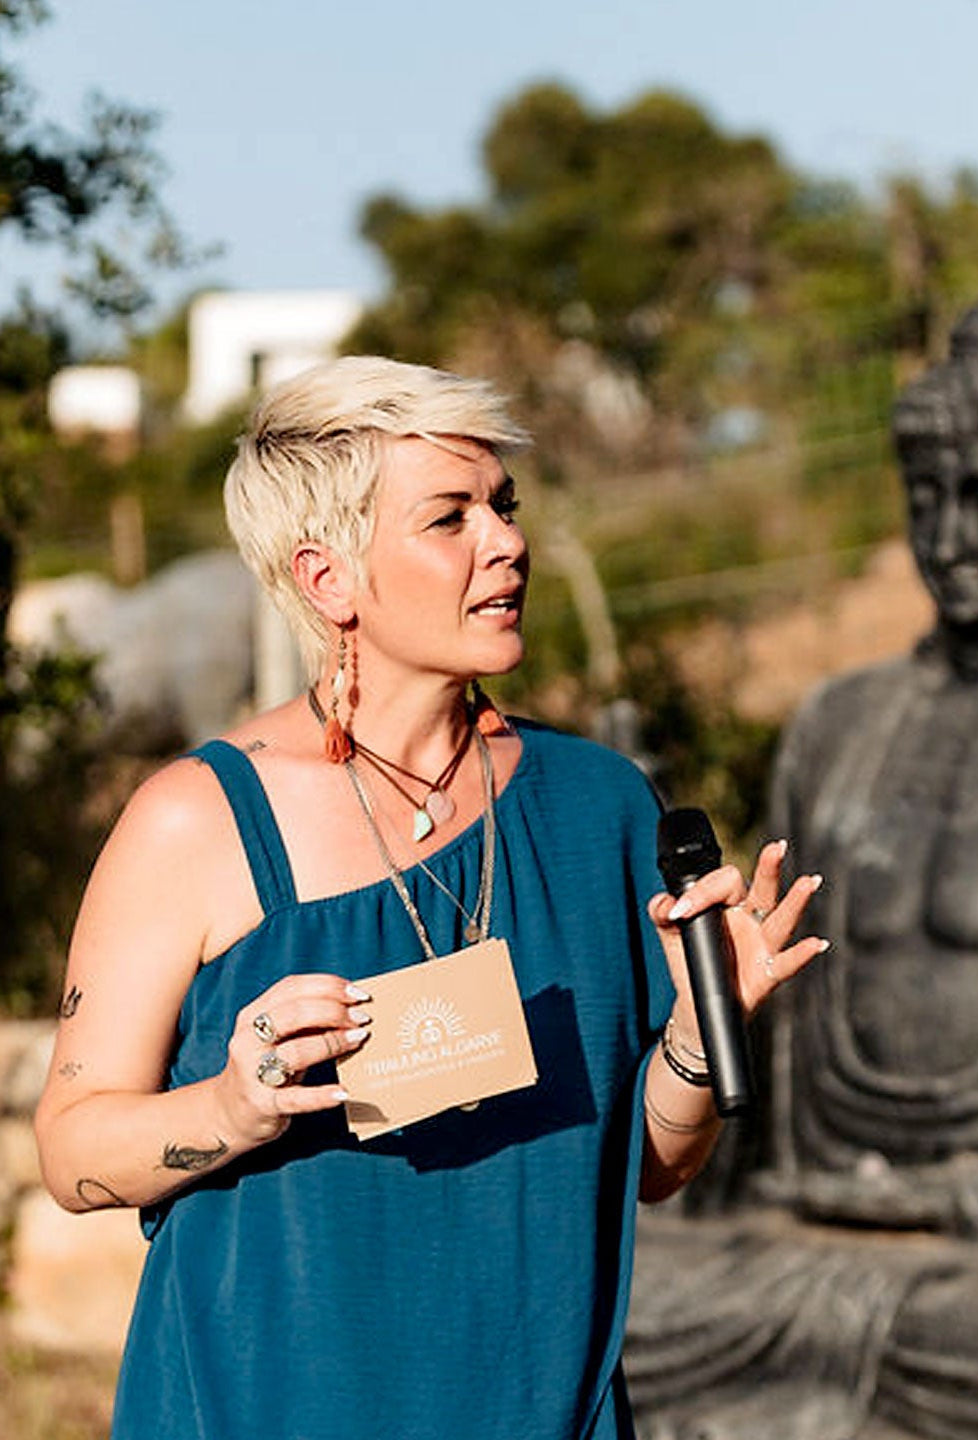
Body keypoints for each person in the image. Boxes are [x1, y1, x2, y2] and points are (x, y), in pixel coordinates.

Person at [34, 355, 824, 1440]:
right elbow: (74, 1157)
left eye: (501, 506)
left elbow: (642, 1169)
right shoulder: (196, 823)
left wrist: (697, 1030)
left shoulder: (602, 809)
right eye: (448, 519)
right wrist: (234, 1104)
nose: (505, 543)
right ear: (328, 581)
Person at [627, 288, 978, 1438]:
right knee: (622, 1289)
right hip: (786, 1240)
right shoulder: (838, 722)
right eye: (923, 498)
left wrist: (959, 1196)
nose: (946, 536)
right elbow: (774, 1018)